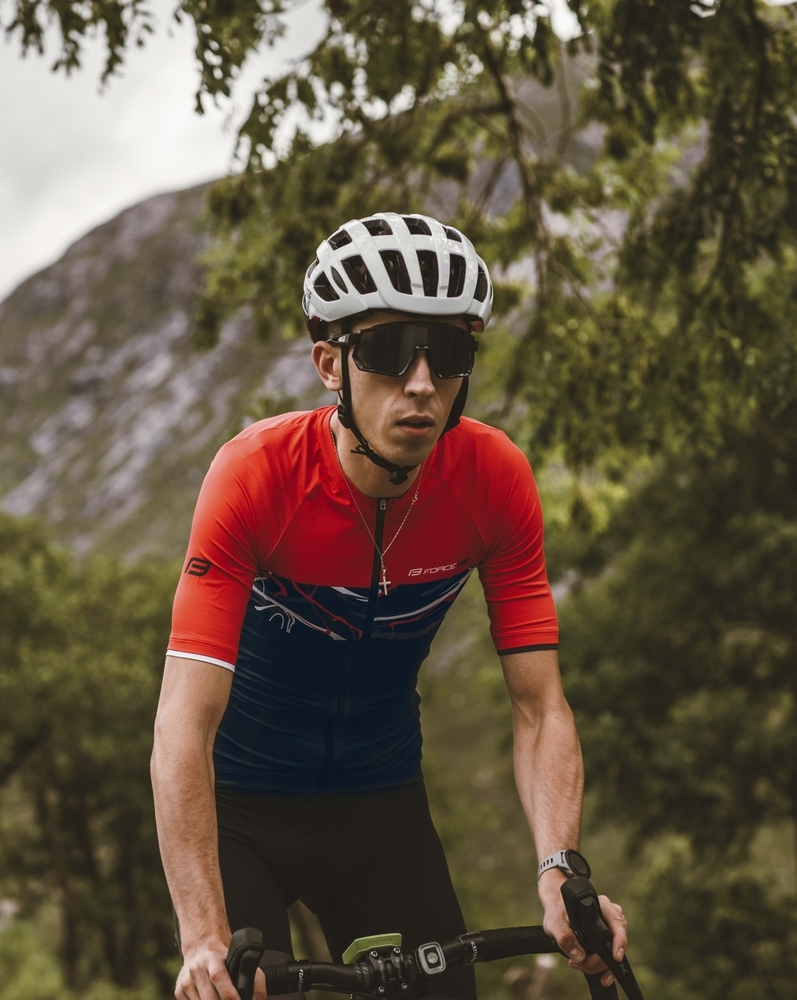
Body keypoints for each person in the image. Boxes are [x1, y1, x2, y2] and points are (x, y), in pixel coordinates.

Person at [151, 212, 627, 1000]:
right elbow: (182, 726)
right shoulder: (255, 478)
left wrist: (560, 871)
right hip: (239, 812)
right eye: (387, 350)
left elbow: (540, 707)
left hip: (380, 808)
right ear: (329, 364)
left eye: (448, 354)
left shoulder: (493, 479)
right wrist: (203, 938)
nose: (421, 383)